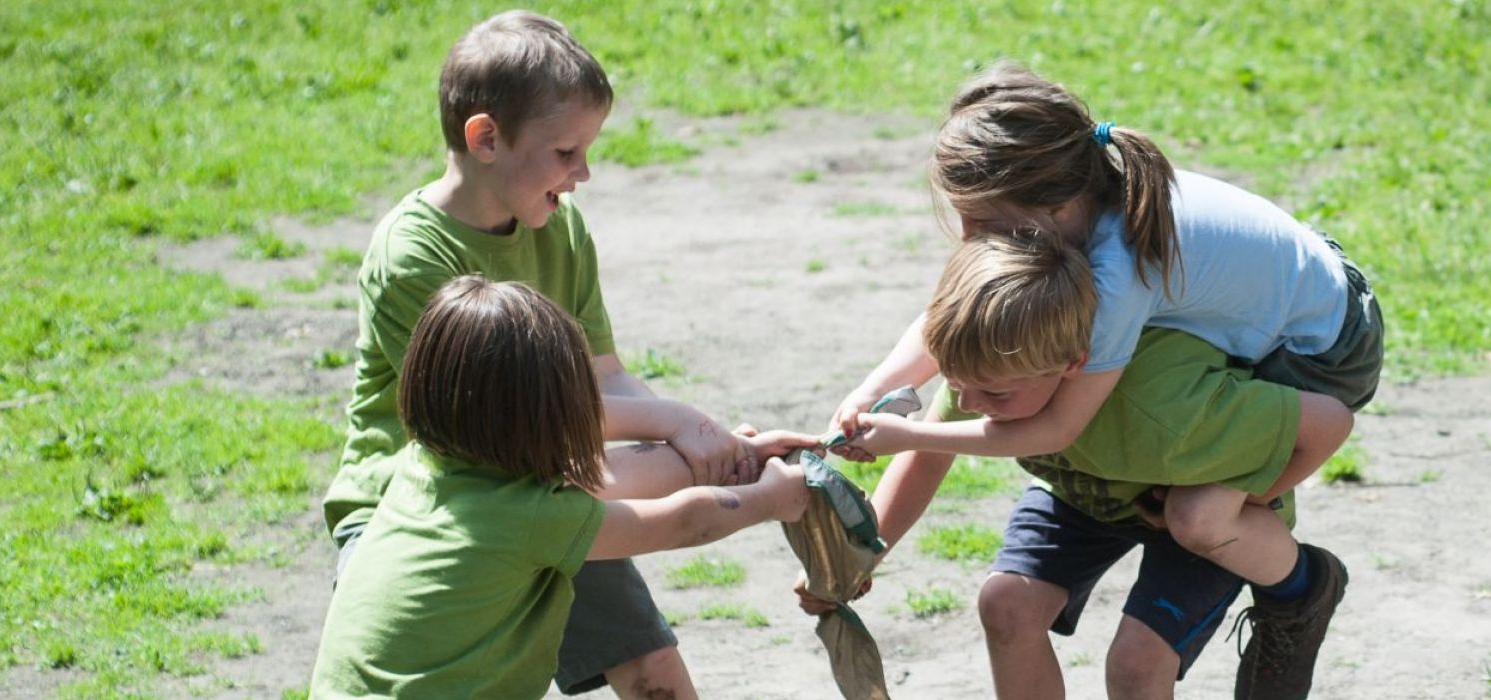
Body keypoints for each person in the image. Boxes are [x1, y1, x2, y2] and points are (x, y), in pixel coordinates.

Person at [830, 63, 1384, 699]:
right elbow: (949, 327)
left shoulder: (1117, 275)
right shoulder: (1071, 233)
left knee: (1197, 514)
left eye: (984, 223)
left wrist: (909, 435)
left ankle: (1294, 588)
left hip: (1323, 344)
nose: (969, 241)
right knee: (1067, 521)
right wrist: (874, 389)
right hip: (1266, 307)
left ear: (1057, 207)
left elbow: (1058, 424)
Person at [318, 11, 811, 698]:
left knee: (649, 667)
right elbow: (525, 426)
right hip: (429, 506)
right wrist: (685, 437)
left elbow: (602, 382)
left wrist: (717, 445)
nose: (584, 172)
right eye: (564, 152)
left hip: (541, 476)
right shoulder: (413, 256)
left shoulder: (558, 226)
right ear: (486, 138)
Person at [312, 276, 810, 699]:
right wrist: (770, 500)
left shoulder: (426, 468)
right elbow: (686, 521)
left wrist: (735, 458)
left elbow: (603, 476)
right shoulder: (528, 517)